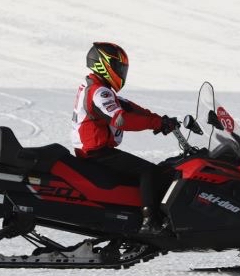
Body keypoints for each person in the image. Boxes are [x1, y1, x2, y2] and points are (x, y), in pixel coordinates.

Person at [71, 42, 179, 231]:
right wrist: (155, 124)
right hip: (97, 153)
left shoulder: (95, 86)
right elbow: (122, 119)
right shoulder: (99, 91)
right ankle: (150, 222)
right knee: (150, 172)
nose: (121, 72)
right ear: (104, 65)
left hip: (94, 151)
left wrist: (159, 119)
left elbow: (129, 106)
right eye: (118, 67)